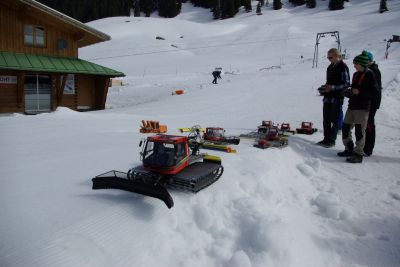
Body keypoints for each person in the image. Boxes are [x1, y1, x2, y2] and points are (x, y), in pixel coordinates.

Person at [338, 51, 378, 163]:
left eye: (356, 64)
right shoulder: (356, 74)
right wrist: (348, 91)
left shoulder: (370, 74)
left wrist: (359, 92)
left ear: (362, 64)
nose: (354, 65)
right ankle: (349, 148)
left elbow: (374, 92)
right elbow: (354, 89)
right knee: (345, 128)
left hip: (362, 107)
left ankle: (358, 153)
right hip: (352, 106)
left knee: (359, 131)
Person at [317, 48, 350, 148]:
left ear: (337, 56)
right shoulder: (330, 67)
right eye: (327, 57)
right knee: (326, 119)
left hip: (337, 97)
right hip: (328, 97)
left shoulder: (343, 67)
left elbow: (346, 84)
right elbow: (329, 81)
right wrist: (324, 87)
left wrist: (333, 87)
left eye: (330, 57)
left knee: (334, 120)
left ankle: (332, 140)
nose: (328, 59)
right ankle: (326, 138)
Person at [363, 51, 382, 156]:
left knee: (369, 124)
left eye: (365, 61)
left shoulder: (374, 70)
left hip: (372, 103)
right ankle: (366, 146)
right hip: (368, 102)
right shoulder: (370, 69)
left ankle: (368, 148)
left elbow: (375, 90)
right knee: (366, 125)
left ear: (370, 60)